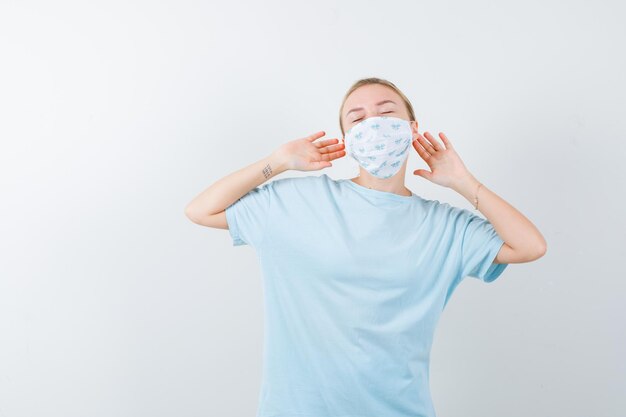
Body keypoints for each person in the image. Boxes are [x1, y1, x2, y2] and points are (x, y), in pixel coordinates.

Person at [185, 77, 547, 417]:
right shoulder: (298, 201)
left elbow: (530, 246)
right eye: (357, 119)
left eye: (387, 112)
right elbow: (201, 210)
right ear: (348, 140)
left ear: (413, 128)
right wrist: (276, 163)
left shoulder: (446, 226)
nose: (373, 124)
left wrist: (463, 182)